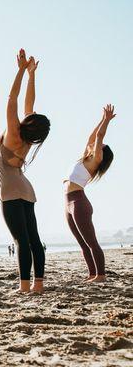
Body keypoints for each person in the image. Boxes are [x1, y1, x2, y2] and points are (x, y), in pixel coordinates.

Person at [0, 49, 50, 294]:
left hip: (10, 191)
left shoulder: (14, 132)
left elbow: (12, 99)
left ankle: (24, 287)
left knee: (21, 241)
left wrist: (19, 71)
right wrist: (31, 75)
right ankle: (38, 284)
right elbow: (28, 103)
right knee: (34, 239)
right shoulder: (28, 138)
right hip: (26, 190)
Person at [64, 104, 116, 283]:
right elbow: (92, 137)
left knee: (91, 241)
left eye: (98, 146)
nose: (94, 145)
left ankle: (100, 275)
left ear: (101, 153)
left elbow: (99, 136)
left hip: (79, 202)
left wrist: (107, 121)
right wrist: (101, 119)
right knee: (82, 242)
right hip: (68, 203)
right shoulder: (84, 159)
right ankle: (92, 274)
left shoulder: (95, 161)